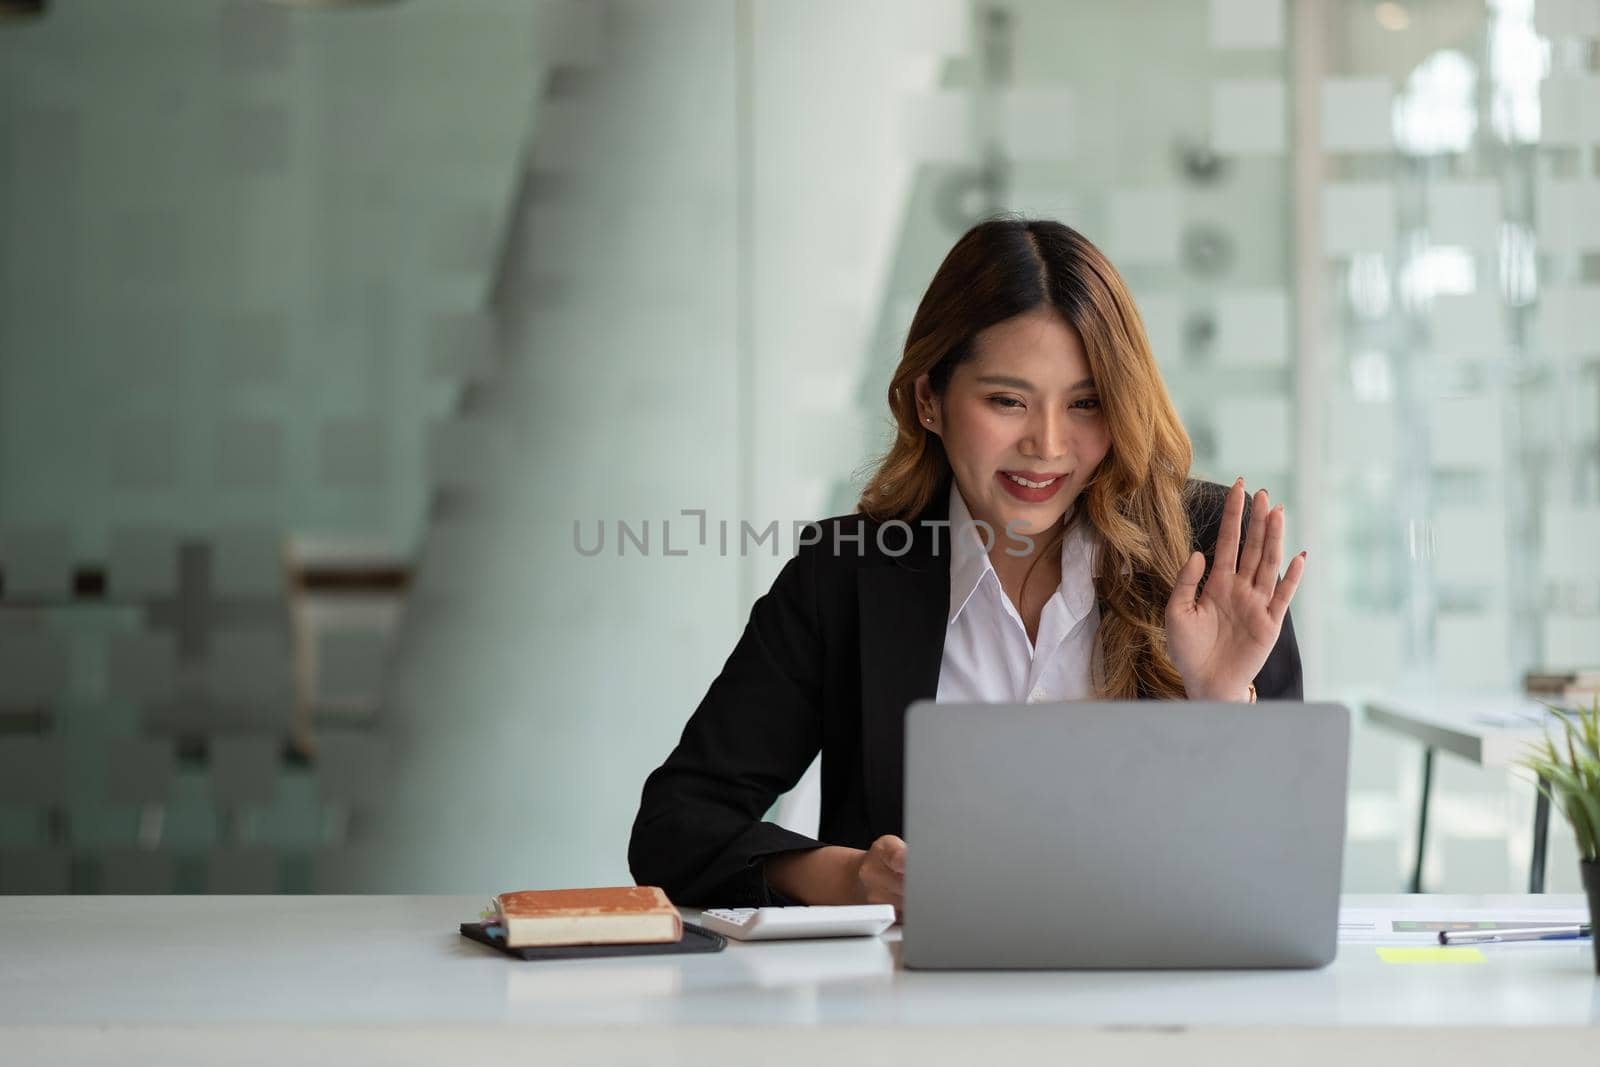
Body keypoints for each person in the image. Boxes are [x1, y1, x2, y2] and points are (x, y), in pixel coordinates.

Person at [627, 217, 1305, 914]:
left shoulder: (1205, 552)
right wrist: (854, 878)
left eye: (1085, 403)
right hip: (913, 1006)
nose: (1046, 444)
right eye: (1007, 400)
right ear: (929, 400)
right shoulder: (847, 575)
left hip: (1156, 1001)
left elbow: (1284, 871)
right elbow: (677, 829)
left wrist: (1221, 703)